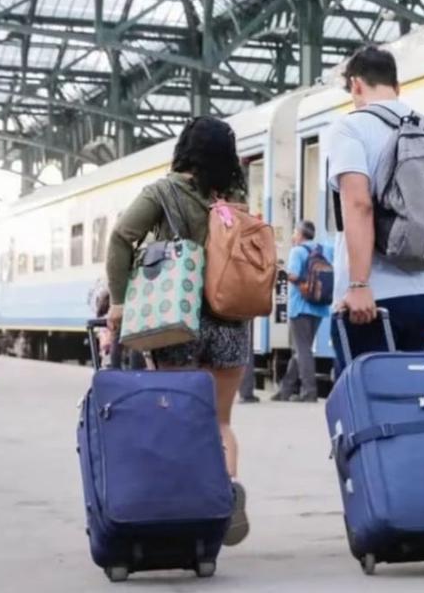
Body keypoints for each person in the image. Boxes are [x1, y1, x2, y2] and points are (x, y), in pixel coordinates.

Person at [105, 116, 251, 547]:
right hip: (230, 320)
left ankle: (187, 512)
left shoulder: (162, 192)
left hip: (175, 319)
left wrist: (118, 300)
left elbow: (120, 237)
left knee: (179, 420)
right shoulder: (234, 196)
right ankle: (227, 487)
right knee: (220, 421)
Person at [324, 46, 424, 363]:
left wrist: (358, 284)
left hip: (374, 300)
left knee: (361, 402)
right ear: (397, 87)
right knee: (407, 400)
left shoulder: (350, 127)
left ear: (355, 85)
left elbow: (357, 204)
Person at [272, 220, 332, 402]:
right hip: (320, 306)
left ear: (299, 234)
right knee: (300, 350)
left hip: (300, 306)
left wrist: (281, 270)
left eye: (294, 232)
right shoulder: (324, 249)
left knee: (302, 350)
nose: (293, 236)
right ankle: (286, 390)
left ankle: (309, 392)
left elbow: (294, 275)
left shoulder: (297, 251)